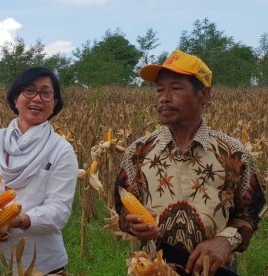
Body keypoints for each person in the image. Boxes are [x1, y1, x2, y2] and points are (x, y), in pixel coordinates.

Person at [114, 50, 267, 276]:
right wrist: (132, 223)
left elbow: (250, 212)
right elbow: (122, 209)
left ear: (203, 95)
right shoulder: (138, 152)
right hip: (154, 269)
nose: (163, 97)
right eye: (159, 89)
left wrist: (225, 242)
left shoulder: (234, 153)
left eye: (176, 88)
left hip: (214, 270)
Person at [0, 67, 78, 275]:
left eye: (46, 93)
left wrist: (16, 220)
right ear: (15, 97)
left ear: (55, 103)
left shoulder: (61, 150)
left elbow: (59, 210)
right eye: (29, 91)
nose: (37, 99)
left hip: (40, 263)